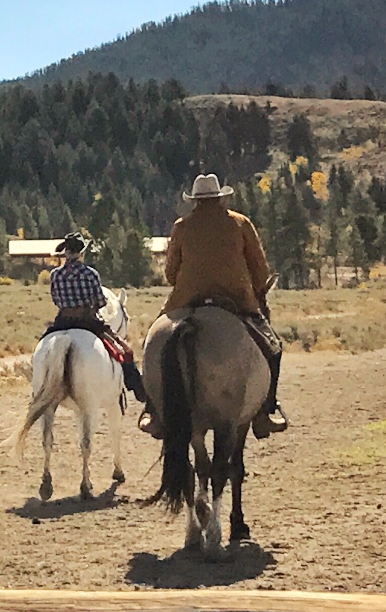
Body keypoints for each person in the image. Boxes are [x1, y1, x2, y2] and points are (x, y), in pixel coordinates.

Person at [162, 173, 288, 436]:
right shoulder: (240, 223)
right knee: (273, 348)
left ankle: (154, 411)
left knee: (158, 344)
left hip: (187, 298)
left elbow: (170, 273)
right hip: (236, 297)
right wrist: (254, 288)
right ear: (220, 197)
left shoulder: (181, 226)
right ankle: (264, 413)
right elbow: (259, 267)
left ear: (195, 200)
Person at [45, 233, 152, 432]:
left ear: (66, 252)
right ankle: (140, 392)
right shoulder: (90, 274)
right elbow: (101, 302)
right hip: (88, 321)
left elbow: (56, 300)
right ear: (82, 253)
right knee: (125, 352)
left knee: (41, 350)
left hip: (62, 321)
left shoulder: (55, 275)